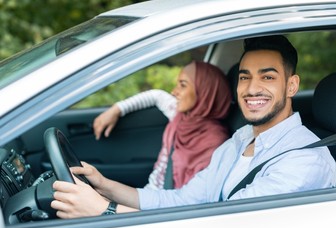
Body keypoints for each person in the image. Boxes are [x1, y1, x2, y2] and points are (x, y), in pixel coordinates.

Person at [51, 35, 335, 218]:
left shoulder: (303, 161)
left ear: (292, 86)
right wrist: (106, 186)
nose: (252, 89)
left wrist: (105, 211)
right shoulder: (240, 139)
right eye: (245, 77)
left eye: (268, 77)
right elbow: (182, 200)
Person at [93, 61, 232, 190]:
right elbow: (157, 95)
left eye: (182, 85)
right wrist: (117, 109)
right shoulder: (180, 116)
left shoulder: (215, 143)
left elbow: (193, 196)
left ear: (205, 91)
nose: (174, 92)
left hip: (165, 208)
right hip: (149, 192)